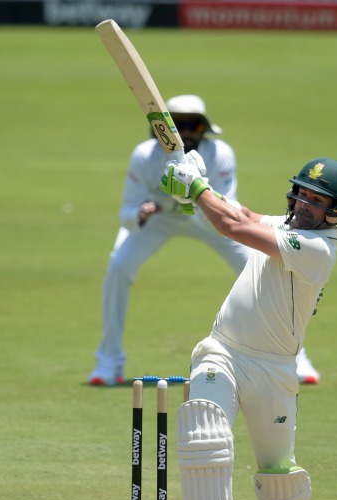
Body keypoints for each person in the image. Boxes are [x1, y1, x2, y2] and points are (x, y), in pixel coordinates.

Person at [159, 153, 337, 500]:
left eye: (317, 199)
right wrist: (204, 184)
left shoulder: (320, 251)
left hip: (275, 367)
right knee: (204, 435)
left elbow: (233, 229)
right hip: (222, 349)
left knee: (278, 469)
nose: (305, 203)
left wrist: (195, 191)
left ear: (334, 209)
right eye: (302, 192)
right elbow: (240, 213)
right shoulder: (285, 225)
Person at [88, 94, 322, 387]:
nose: (185, 133)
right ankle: (108, 362)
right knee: (118, 267)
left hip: (210, 223)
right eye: (179, 126)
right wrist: (143, 213)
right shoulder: (144, 155)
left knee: (264, 271)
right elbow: (126, 214)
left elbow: (228, 211)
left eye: (193, 126)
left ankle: (296, 358)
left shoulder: (220, 154)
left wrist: (192, 197)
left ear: (204, 128)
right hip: (159, 222)